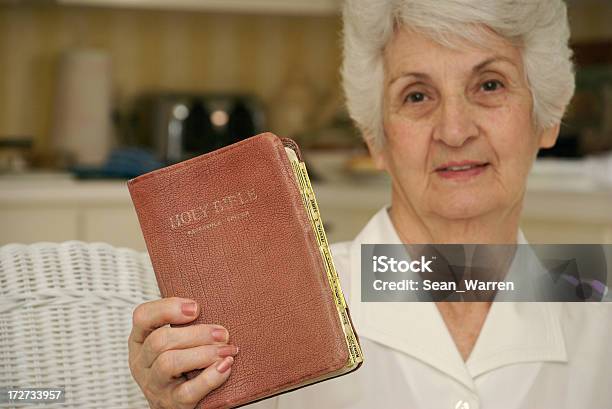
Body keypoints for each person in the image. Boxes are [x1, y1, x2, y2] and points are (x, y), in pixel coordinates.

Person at [128, 1, 612, 408]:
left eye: (490, 85)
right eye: (417, 95)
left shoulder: (597, 300)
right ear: (375, 138)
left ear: (547, 115)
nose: (455, 130)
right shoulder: (263, 311)